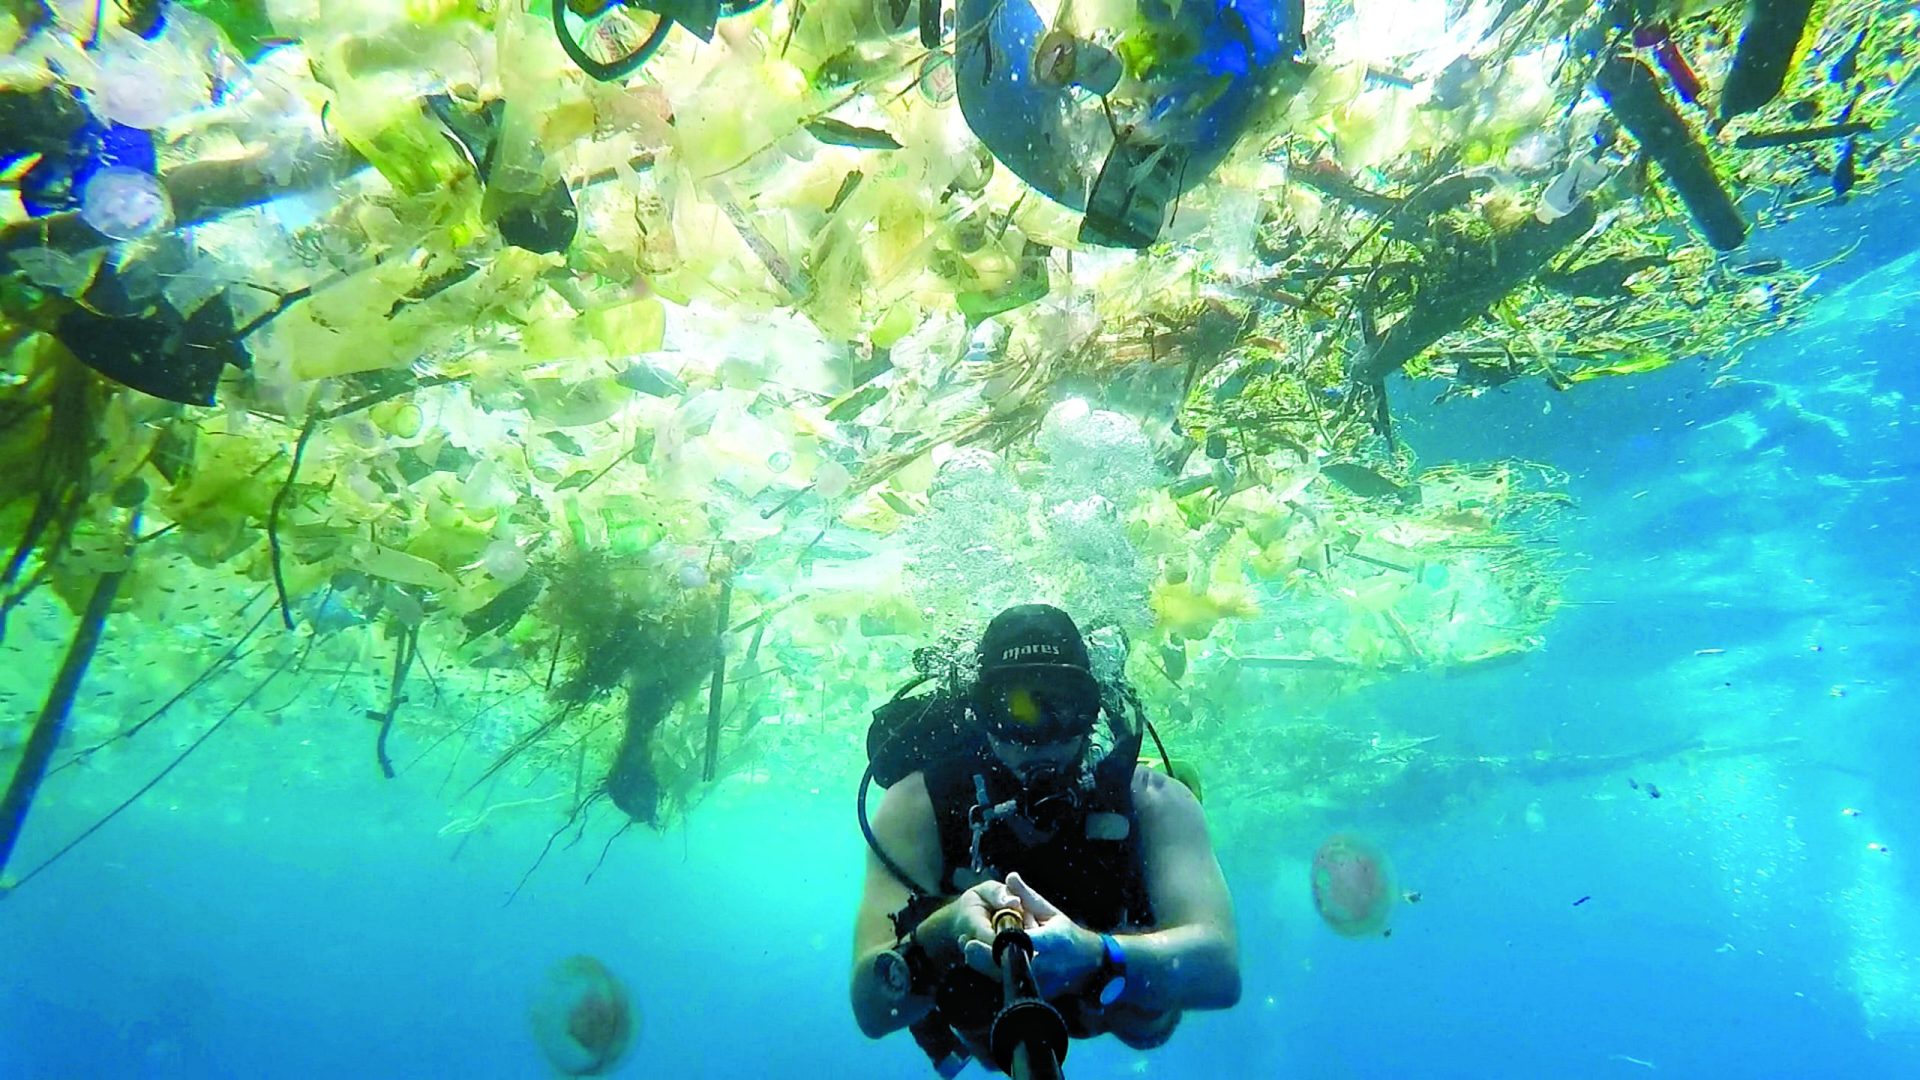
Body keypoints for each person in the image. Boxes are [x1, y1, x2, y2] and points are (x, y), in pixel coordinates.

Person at [850, 604, 1240, 1075]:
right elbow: (871, 1009)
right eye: (1015, 708)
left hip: (1110, 999)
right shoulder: (917, 805)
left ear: (1092, 709)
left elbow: (1221, 971)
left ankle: (1122, 975)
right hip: (993, 1010)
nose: (1039, 738)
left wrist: (1100, 959)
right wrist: (945, 932)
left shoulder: (1155, 801)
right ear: (980, 713)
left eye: (1063, 705)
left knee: (1145, 1022)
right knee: (977, 1011)